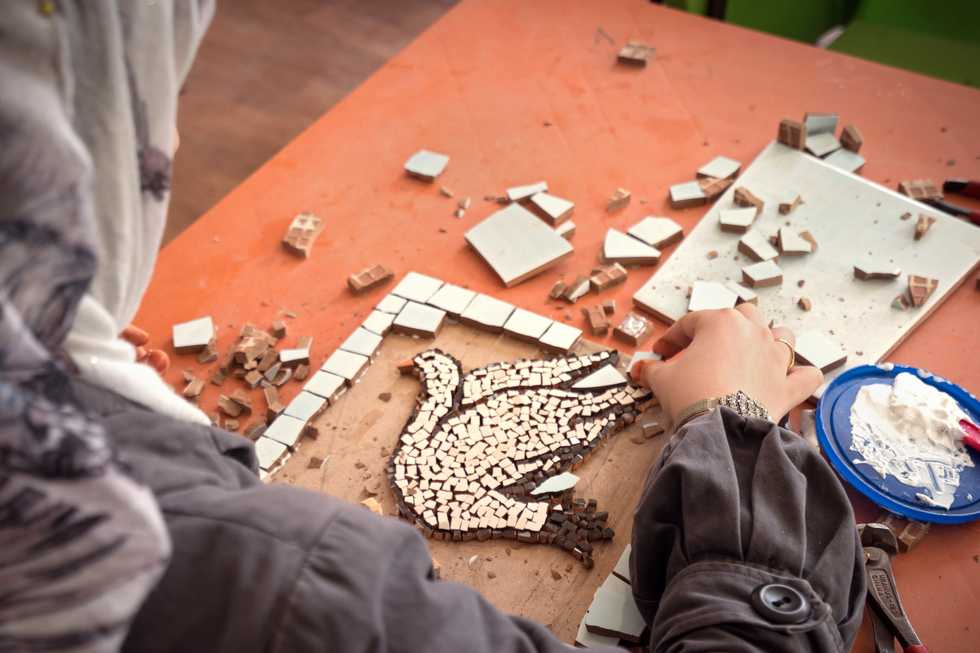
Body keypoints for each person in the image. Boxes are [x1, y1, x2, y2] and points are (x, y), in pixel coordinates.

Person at [0, 2, 864, 651]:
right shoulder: (280, 583)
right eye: (159, 106)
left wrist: (101, 396)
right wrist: (741, 443)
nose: (175, 133)